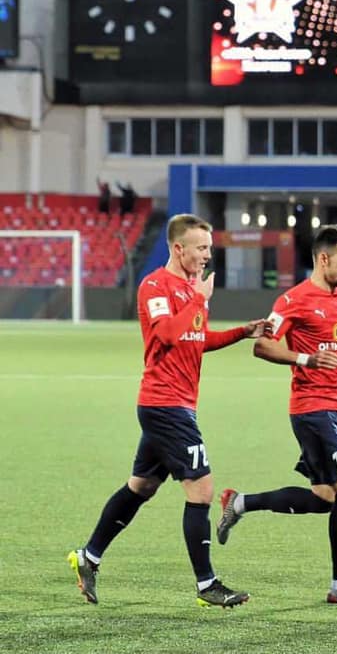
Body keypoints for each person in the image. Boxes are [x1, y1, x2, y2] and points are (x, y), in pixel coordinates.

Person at [68, 214, 269, 608]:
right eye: (201, 248)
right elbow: (165, 334)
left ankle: (88, 558)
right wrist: (199, 298)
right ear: (179, 248)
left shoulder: (189, 289)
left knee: (141, 486)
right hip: (165, 405)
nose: (208, 256)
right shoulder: (156, 286)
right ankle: (206, 585)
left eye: (209, 248)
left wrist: (241, 333)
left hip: (175, 404)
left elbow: (194, 339)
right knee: (203, 489)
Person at [216, 225, 337, 606]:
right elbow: (262, 346)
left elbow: (331, 342)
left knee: (324, 498)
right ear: (324, 259)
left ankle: (239, 502)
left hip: (336, 407)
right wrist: (304, 358)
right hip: (311, 408)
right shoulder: (294, 300)